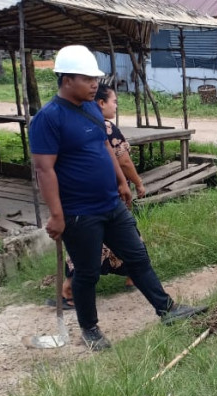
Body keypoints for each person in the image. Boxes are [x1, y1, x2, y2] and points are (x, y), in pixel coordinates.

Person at [29, 45, 204, 351]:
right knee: (87, 272)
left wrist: (122, 182)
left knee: (137, 256)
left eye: (95, 78)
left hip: (110, 203)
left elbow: (105, 148)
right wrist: (57, 215)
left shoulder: (91, 108)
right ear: (66, 80)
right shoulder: (48, 118)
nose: (95, 84)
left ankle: (167, 310)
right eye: (87, 79)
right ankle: (90, 329)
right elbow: (44, 170)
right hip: (79, 213)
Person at [47, 85, 146, 309]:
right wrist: (136, 183)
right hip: (101, 199)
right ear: (100, 103)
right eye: (114, 101)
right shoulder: (104, 127)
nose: (116, 105)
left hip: (89, 198)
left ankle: (133, 277)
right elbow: (123, 160)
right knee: (112, 242)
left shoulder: (78, 123)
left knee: (113, 241)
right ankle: (71, 292)